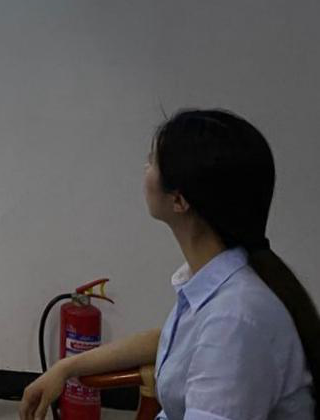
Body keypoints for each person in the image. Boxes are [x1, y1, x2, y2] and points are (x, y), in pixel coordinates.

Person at [19, 109, 317, 420]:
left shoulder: (235, 319)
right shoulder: (221, 284)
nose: (145, 167)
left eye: (153, 160)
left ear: (179, 200)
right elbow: (167, 341)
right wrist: (66, 367)